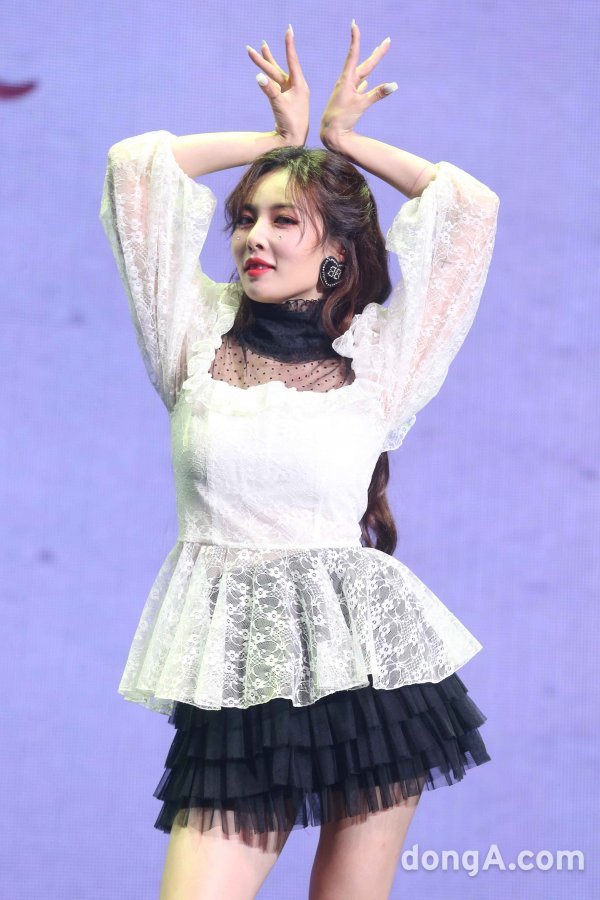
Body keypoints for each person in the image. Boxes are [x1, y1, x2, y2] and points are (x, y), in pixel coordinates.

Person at [99, 21, 500, 900]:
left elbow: (468, 212)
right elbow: (136, 170)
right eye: (246, 217)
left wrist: (343, 142)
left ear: (335, 255)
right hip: (235, 685)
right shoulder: (193, 337)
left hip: (372, 677)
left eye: (286, 220)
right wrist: (274, 141)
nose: (256, 235)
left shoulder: (379, 359)